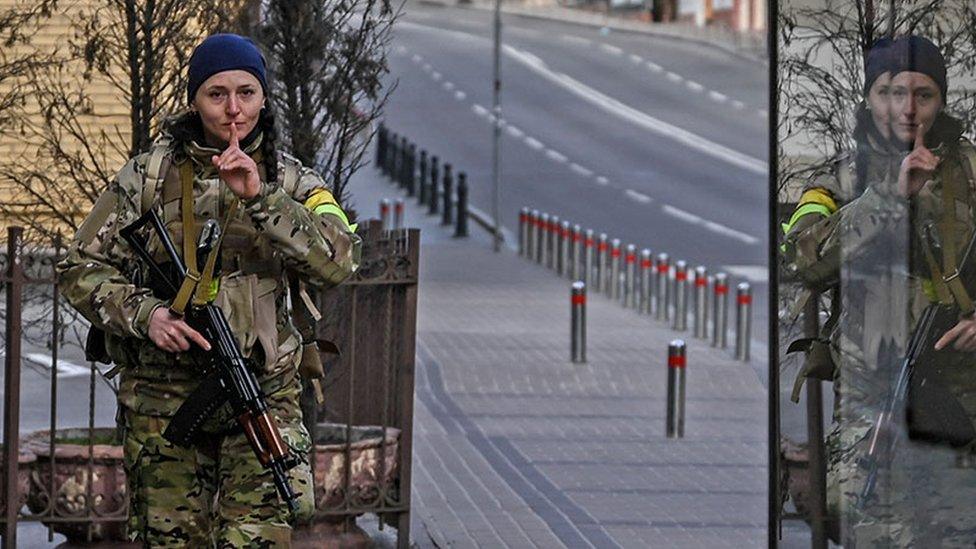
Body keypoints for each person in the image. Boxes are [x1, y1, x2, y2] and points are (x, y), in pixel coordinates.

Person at [57, 33, 361, 547]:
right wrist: (145, 314)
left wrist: (262, 199)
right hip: (165, 402)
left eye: (246, 92)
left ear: (264, 98)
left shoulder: (292, 181)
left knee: (258, 539)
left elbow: (341, 262)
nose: (234, 109)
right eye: (216, 94)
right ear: (195, 101)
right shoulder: (147, 178)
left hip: (261, 393)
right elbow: (79, 267)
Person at [792, 35, 976, 546]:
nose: (907, 109)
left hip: (961, 401)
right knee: (872, 526)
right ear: (869, 98)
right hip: (873, 399)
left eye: (923, 95)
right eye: (890, 92)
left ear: (940, 102)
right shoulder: (838, 179)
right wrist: (888, 195)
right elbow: (804, 260)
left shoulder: (971, 172)